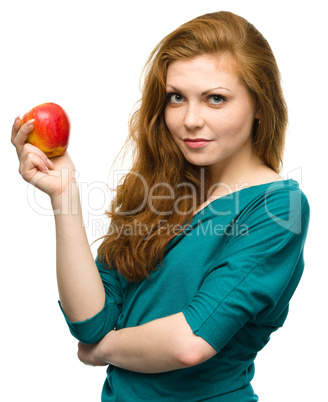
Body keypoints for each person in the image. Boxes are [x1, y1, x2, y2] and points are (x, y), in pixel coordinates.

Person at [11, 10, 310, 402]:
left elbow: (191, 340)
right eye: (176, 98)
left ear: (259, 104)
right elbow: (90, 321)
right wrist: (64, 196)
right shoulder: (160, 189)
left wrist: (103, 351)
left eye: (215, 99)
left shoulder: (277, 207)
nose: (190, 120)